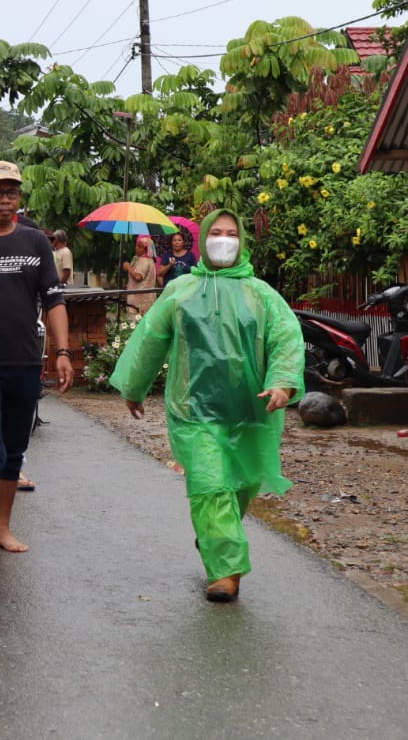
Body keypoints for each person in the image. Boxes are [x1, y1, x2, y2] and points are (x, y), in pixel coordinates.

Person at [110, 209, 304, 602]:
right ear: (203, 240)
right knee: (212, 486)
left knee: (242, 485)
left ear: (242, 240)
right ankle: (225, 572)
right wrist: (134, 385)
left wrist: (283, 383)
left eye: (231, 233)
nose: (223, 240)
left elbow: (286, 339)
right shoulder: (181, 291)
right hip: (194, 411)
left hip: (252, 411)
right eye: (216, 232)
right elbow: (150, 339)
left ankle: (214, 535)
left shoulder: (262, 294)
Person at [0, 161, 74, 559]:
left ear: (20, 198)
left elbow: (53, 299)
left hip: (25, 360)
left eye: (11, 192)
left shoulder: (35, 242)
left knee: (13, 446)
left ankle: (3, 527)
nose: (5, 199)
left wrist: (62, 352)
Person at [122, 235, 158, 315]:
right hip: (144, 298)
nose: (136, 248)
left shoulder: (144, 261)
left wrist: (128, 267)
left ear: (146, 249)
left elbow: (138, 277)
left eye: (140, 247)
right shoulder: (145, 259)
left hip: (140, 300)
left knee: (137, 320)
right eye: (137, 246)